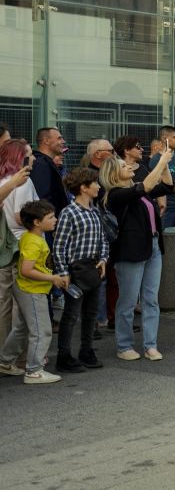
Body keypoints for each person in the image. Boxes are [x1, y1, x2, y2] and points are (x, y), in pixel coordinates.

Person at [99, 146, 174, 361]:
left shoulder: (139, 191)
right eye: (124, 165)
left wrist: (165, 163)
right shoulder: (115, 195)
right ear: (113, 173)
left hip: (152, 246)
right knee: (128, 300)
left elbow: (167, 186)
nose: (129, 165)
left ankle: (151, 345)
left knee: (151, 300)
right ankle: (124, 345)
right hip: (130, 251)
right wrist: (161, 162)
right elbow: (146, 185)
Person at [0, 201, 66, 384]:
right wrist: (53, 278)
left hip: (25, 289)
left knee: (21, 328)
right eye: (51, 217)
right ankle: (34, 370)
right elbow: (26, 270)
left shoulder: (30, 238)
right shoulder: (35, 242)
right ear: (37, 222)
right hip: (31, 291)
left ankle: (4, 362)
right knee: (42, 330)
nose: (55, 220)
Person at [52, 167, 109, 372]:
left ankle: (87, 350)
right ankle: (64, 355)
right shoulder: (69, 212)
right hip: (75, 270)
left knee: (90, 313)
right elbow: (59, 246)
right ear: (84, 188)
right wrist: (63, 272)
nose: (98, 186)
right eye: (95, 183)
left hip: (93, 268)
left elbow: (103, 239)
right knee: (71, 314)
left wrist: (103, 259)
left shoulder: (95, 210)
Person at [0, 140, 37, 344]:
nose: (33, 158)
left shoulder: (3, 179)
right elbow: (19, 216)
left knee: (4, 301)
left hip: (5, 245)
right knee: (20, 303)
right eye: (28, 154)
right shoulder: (22, 182)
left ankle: (4, 351)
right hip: (20, 244)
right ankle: (15, 353)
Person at [31, 127, 69, 213]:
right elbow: (43, 197)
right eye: (59, 138)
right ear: (46, 141)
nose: (63, 141)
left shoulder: (46, 163)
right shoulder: (41, 164)